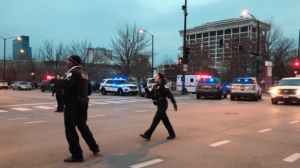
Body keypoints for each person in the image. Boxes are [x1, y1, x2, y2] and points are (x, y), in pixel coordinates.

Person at [48, 55, 100, 162]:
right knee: (82, 126)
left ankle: (77, 155)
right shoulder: (84, 73)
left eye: (68, 61)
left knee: (70, 128)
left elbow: (67, 84)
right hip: (83, 102)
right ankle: (94, 147)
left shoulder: (73, 72)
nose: (67, 62)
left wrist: (54, 80)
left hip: (73, 103)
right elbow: (89, 91)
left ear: (74, 62)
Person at [140, 73, 178, 141]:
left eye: (157, 76)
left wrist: (174, 103)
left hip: (163, 105)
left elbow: (169, 94)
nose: (155, 77)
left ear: (160, 78)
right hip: (158, 104)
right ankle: (172, 134)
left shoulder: (164, 85)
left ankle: (147, 134)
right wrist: (145, 87)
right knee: (165, 121)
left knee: (156, 120)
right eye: (155, 76)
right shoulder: (155, 86)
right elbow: (150, 95)